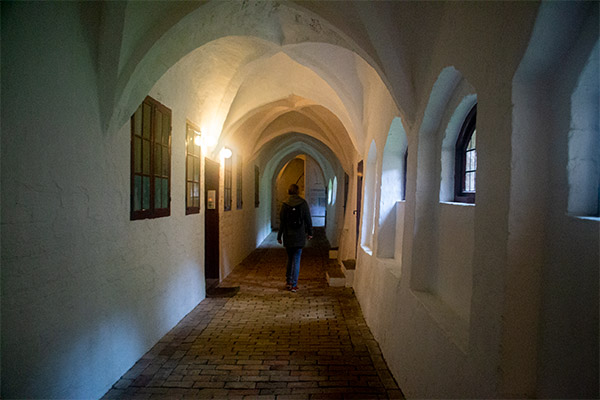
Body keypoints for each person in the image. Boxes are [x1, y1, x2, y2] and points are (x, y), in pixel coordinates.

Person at [277, 183, 313, 292]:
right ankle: (294, 285)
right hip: (299, 235)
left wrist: (279, 236)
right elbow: (308, 219)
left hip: (288, 235)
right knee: (296, 259)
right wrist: (310, 232)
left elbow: (282, 222)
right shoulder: (303, 203)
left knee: (290, 258)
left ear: (289, 191)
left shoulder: (284, 204)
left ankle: (288, 281)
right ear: (297, 192)